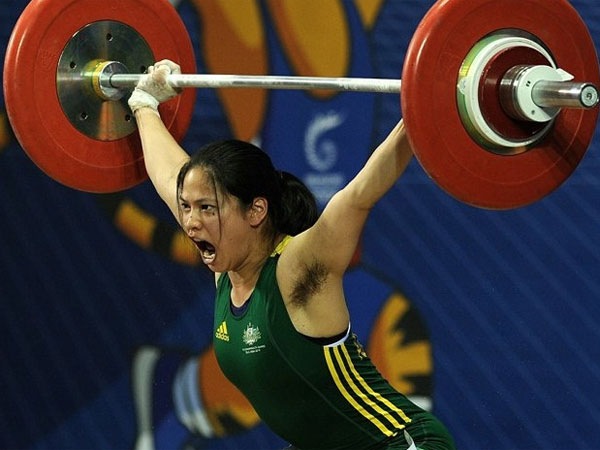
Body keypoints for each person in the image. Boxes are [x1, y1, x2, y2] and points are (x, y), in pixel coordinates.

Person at [127, 60, 455, 450]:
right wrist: (144, 104)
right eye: (187, 208)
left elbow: (359, 195)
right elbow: (170, 177)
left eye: (207, 209)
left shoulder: (297, 267)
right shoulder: (227, 267)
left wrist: (424, 102)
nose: (191, 222)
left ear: (255, 211)